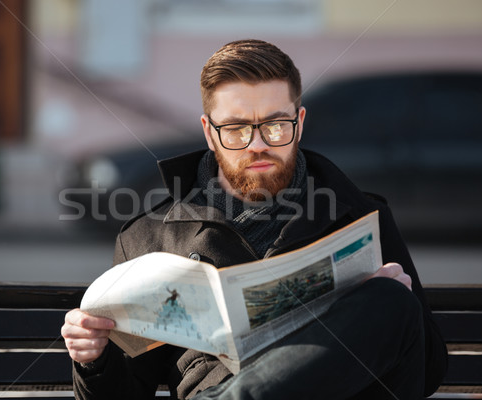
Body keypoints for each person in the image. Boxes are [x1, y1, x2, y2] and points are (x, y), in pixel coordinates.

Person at [61, 39, 448, 399]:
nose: (258, 144)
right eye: (236, 129)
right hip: (215, 384)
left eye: (275, 125)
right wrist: (92, 358)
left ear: (299, 122)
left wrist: (383, 310)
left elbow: (427, 372)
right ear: (209, 133)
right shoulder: (148, 238)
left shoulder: (361, 216)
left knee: (391, 300)